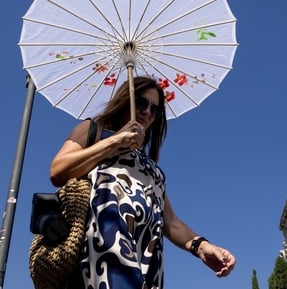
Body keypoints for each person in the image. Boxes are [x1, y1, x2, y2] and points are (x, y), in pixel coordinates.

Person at [49, 76, 236, 288]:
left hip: (145, 262)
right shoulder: (93, 132)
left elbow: (171, 221)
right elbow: (58, 170)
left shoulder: (152, 169)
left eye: (155, 109)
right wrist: (115, 141)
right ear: (124, 100)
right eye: (140, 102)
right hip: (100, 255)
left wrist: (201, 246)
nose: (147, 111)